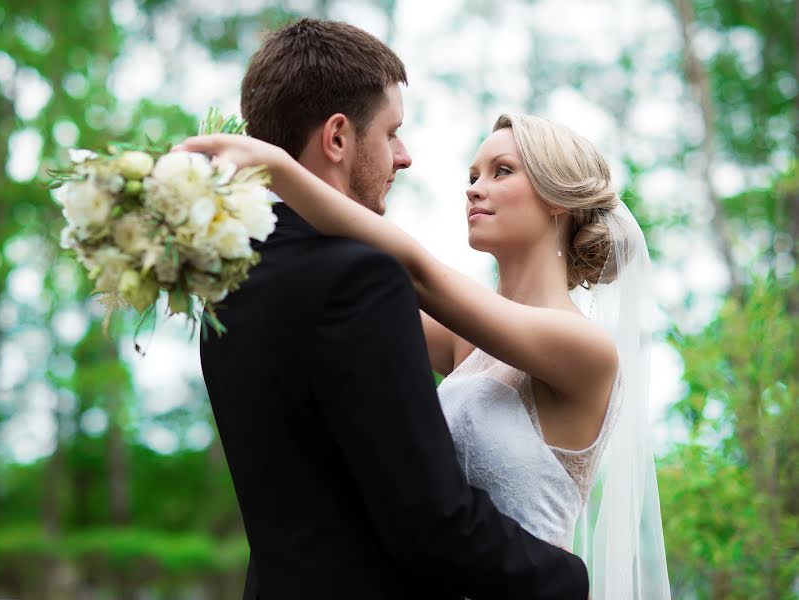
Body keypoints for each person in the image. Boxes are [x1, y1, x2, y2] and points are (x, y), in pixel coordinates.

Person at [179, 111, 671, 597]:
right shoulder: (465, 341)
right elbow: (329, 299)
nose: (474, 189)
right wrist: (218, 220)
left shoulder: (585, 350)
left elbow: (415, 273)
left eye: (502, 171)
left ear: (556, 199)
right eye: (472, 175)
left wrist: (279, 170)